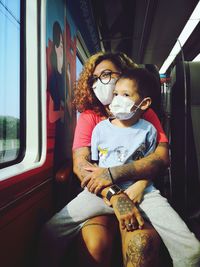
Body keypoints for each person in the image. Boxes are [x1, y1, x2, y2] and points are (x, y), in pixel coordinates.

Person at [37, 52, 169, 267]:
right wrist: (116, 196)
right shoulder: (90, 117)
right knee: (74, 240)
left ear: (124, 75)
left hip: (138, 191)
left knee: (142, 245)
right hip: (102, 194)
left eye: (107, 74)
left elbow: (161, 157)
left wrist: (125, 178)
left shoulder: (145, 113)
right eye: (95, 79)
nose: (101, 83)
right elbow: (82, 166)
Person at [87, 68, 200, 267]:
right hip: (103, 191)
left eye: (125, 95)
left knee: (191, 249)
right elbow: (95, 168)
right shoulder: (99, 129)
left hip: (143, 190)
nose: (117, 99)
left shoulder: (148, 129)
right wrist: (112, 193)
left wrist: (140, 185)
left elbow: (152, 163)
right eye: (116, 94)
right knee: (53, 230)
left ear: (144, 103)